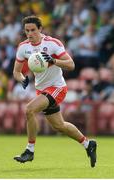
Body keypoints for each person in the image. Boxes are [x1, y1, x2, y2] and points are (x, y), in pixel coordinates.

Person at [13, 15, 97, 168]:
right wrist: (22, 79)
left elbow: (71, 65)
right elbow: (16, 71)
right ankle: (88, 143)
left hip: (58, 88)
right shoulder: (23, 47)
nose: (30, 33)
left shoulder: (52, 44)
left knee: (29, 110)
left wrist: (53, 60)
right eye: (27, 31)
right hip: (42, 90)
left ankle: (29, 150)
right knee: (59, 126)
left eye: (33, 30)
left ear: (40, 29)